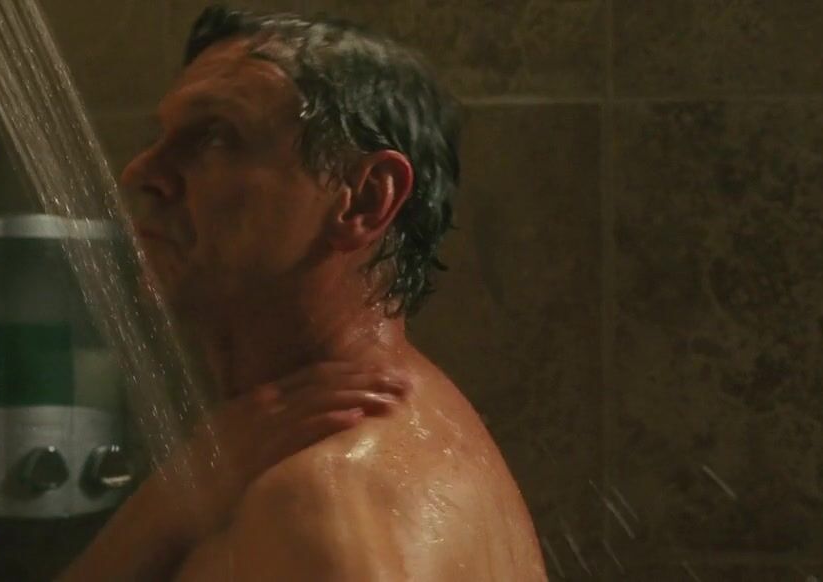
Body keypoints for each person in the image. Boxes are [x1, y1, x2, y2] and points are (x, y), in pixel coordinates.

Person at [61, 5, 545, 581]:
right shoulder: (417, 423)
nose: (141, 172)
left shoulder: (313, 503)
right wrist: (167, 506)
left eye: (216, 138)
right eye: (159, 138)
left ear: (364, 199)